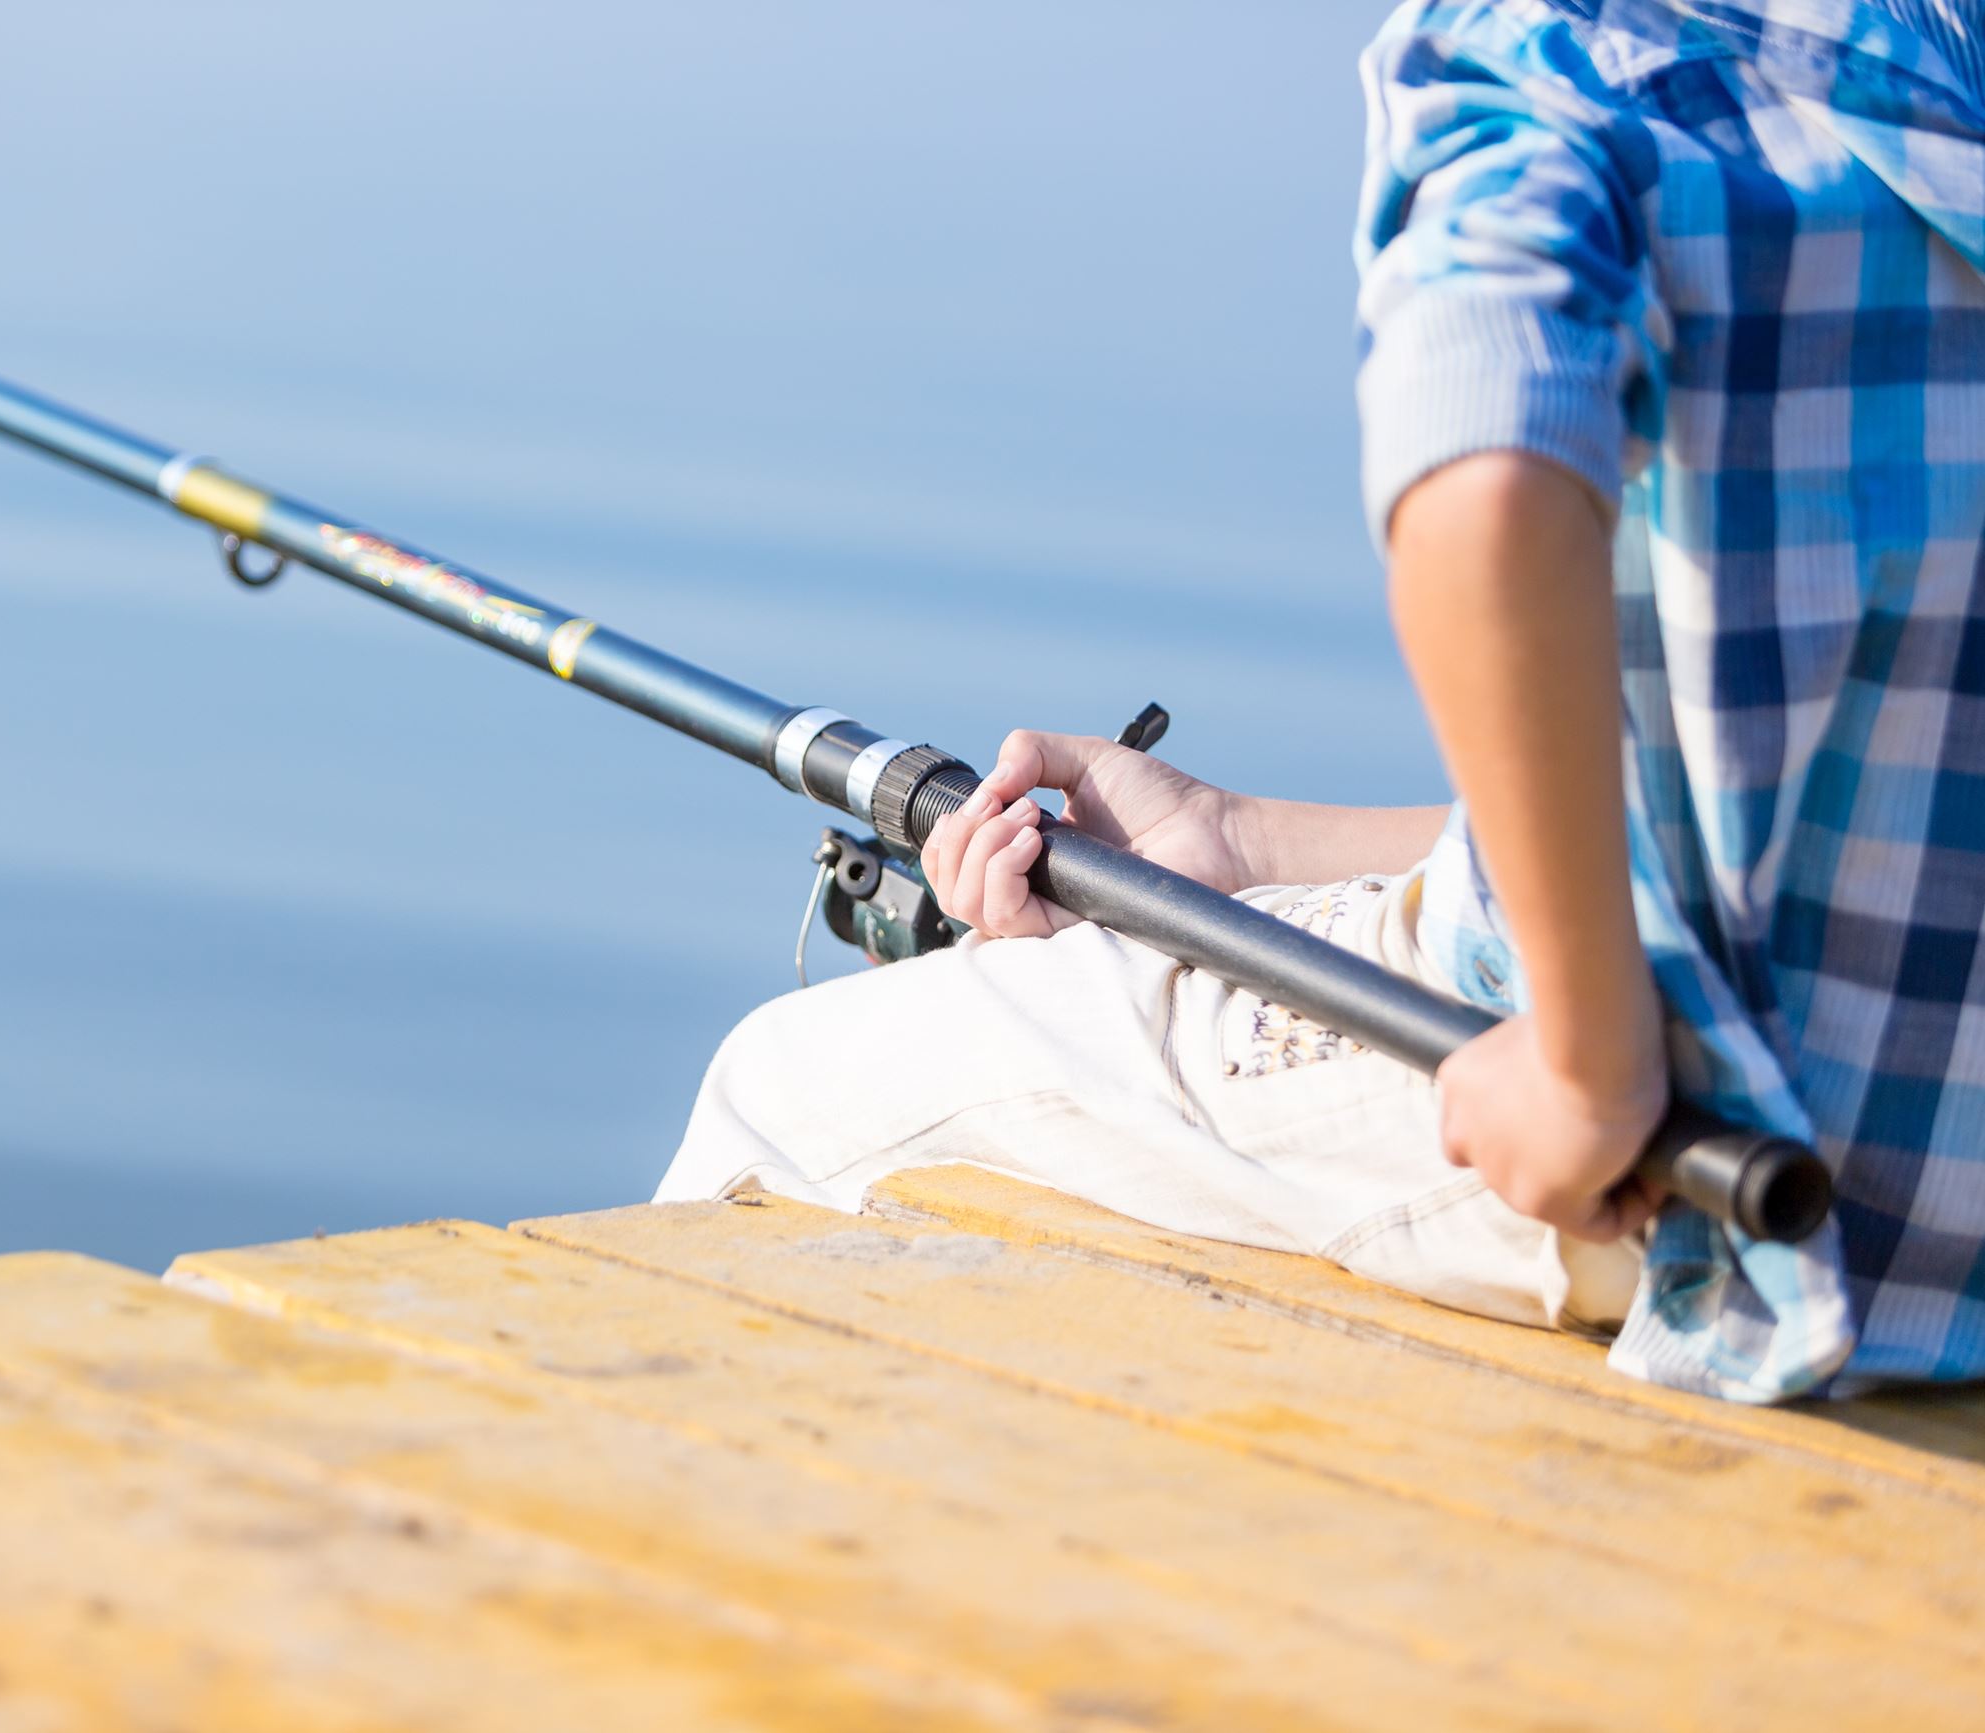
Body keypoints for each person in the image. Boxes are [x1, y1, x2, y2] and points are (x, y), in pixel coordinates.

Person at [659, 0, 1985, 1403]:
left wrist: (1589, 1063)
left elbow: (1482, 479)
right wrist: (1246, 845)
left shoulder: (1555, 51)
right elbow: (1833, 789)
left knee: (786, 1092)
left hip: (1726, 1188)